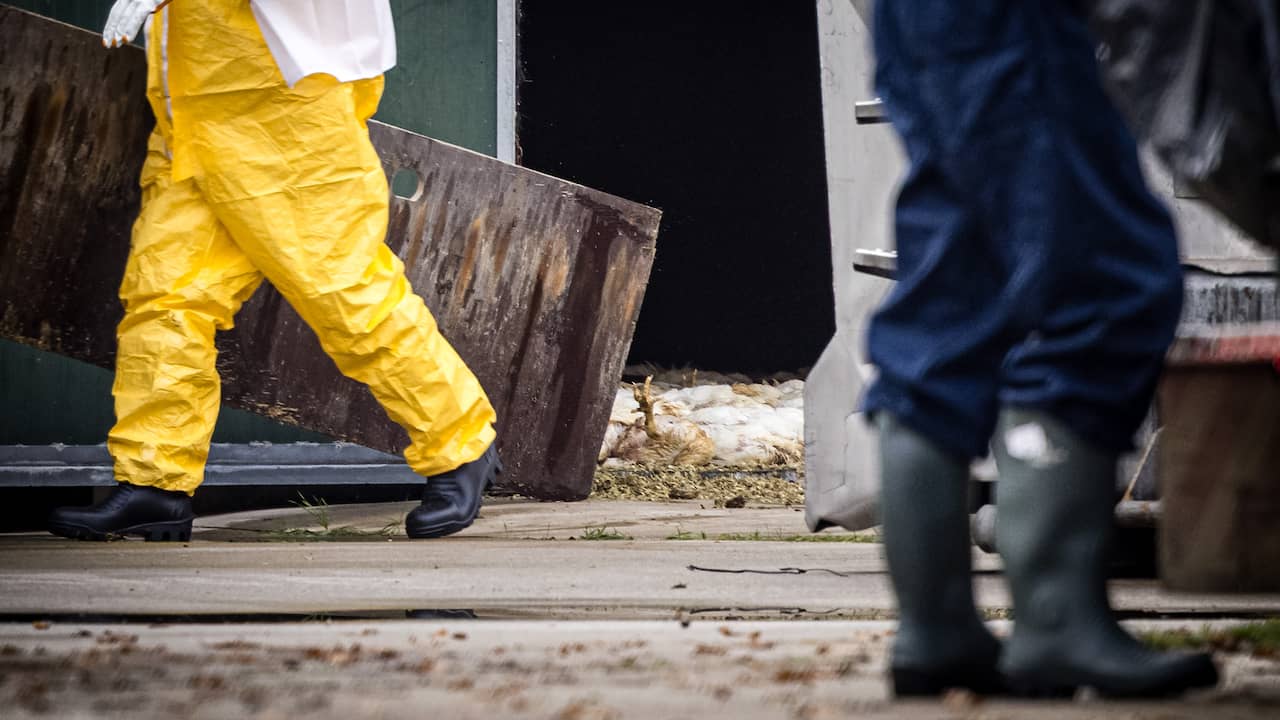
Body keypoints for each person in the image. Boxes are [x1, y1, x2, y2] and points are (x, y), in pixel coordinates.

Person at [864, 0, 1219, 699]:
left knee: (958, 286)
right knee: (1104, 280)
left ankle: (935, 630)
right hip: (1007, 21)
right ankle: (1058, 624)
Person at [47, 0, 499, 542]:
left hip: (285, 108)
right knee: (166, 299)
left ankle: (460, 444)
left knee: (342, 288)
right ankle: (155, 483)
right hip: (192, 109)